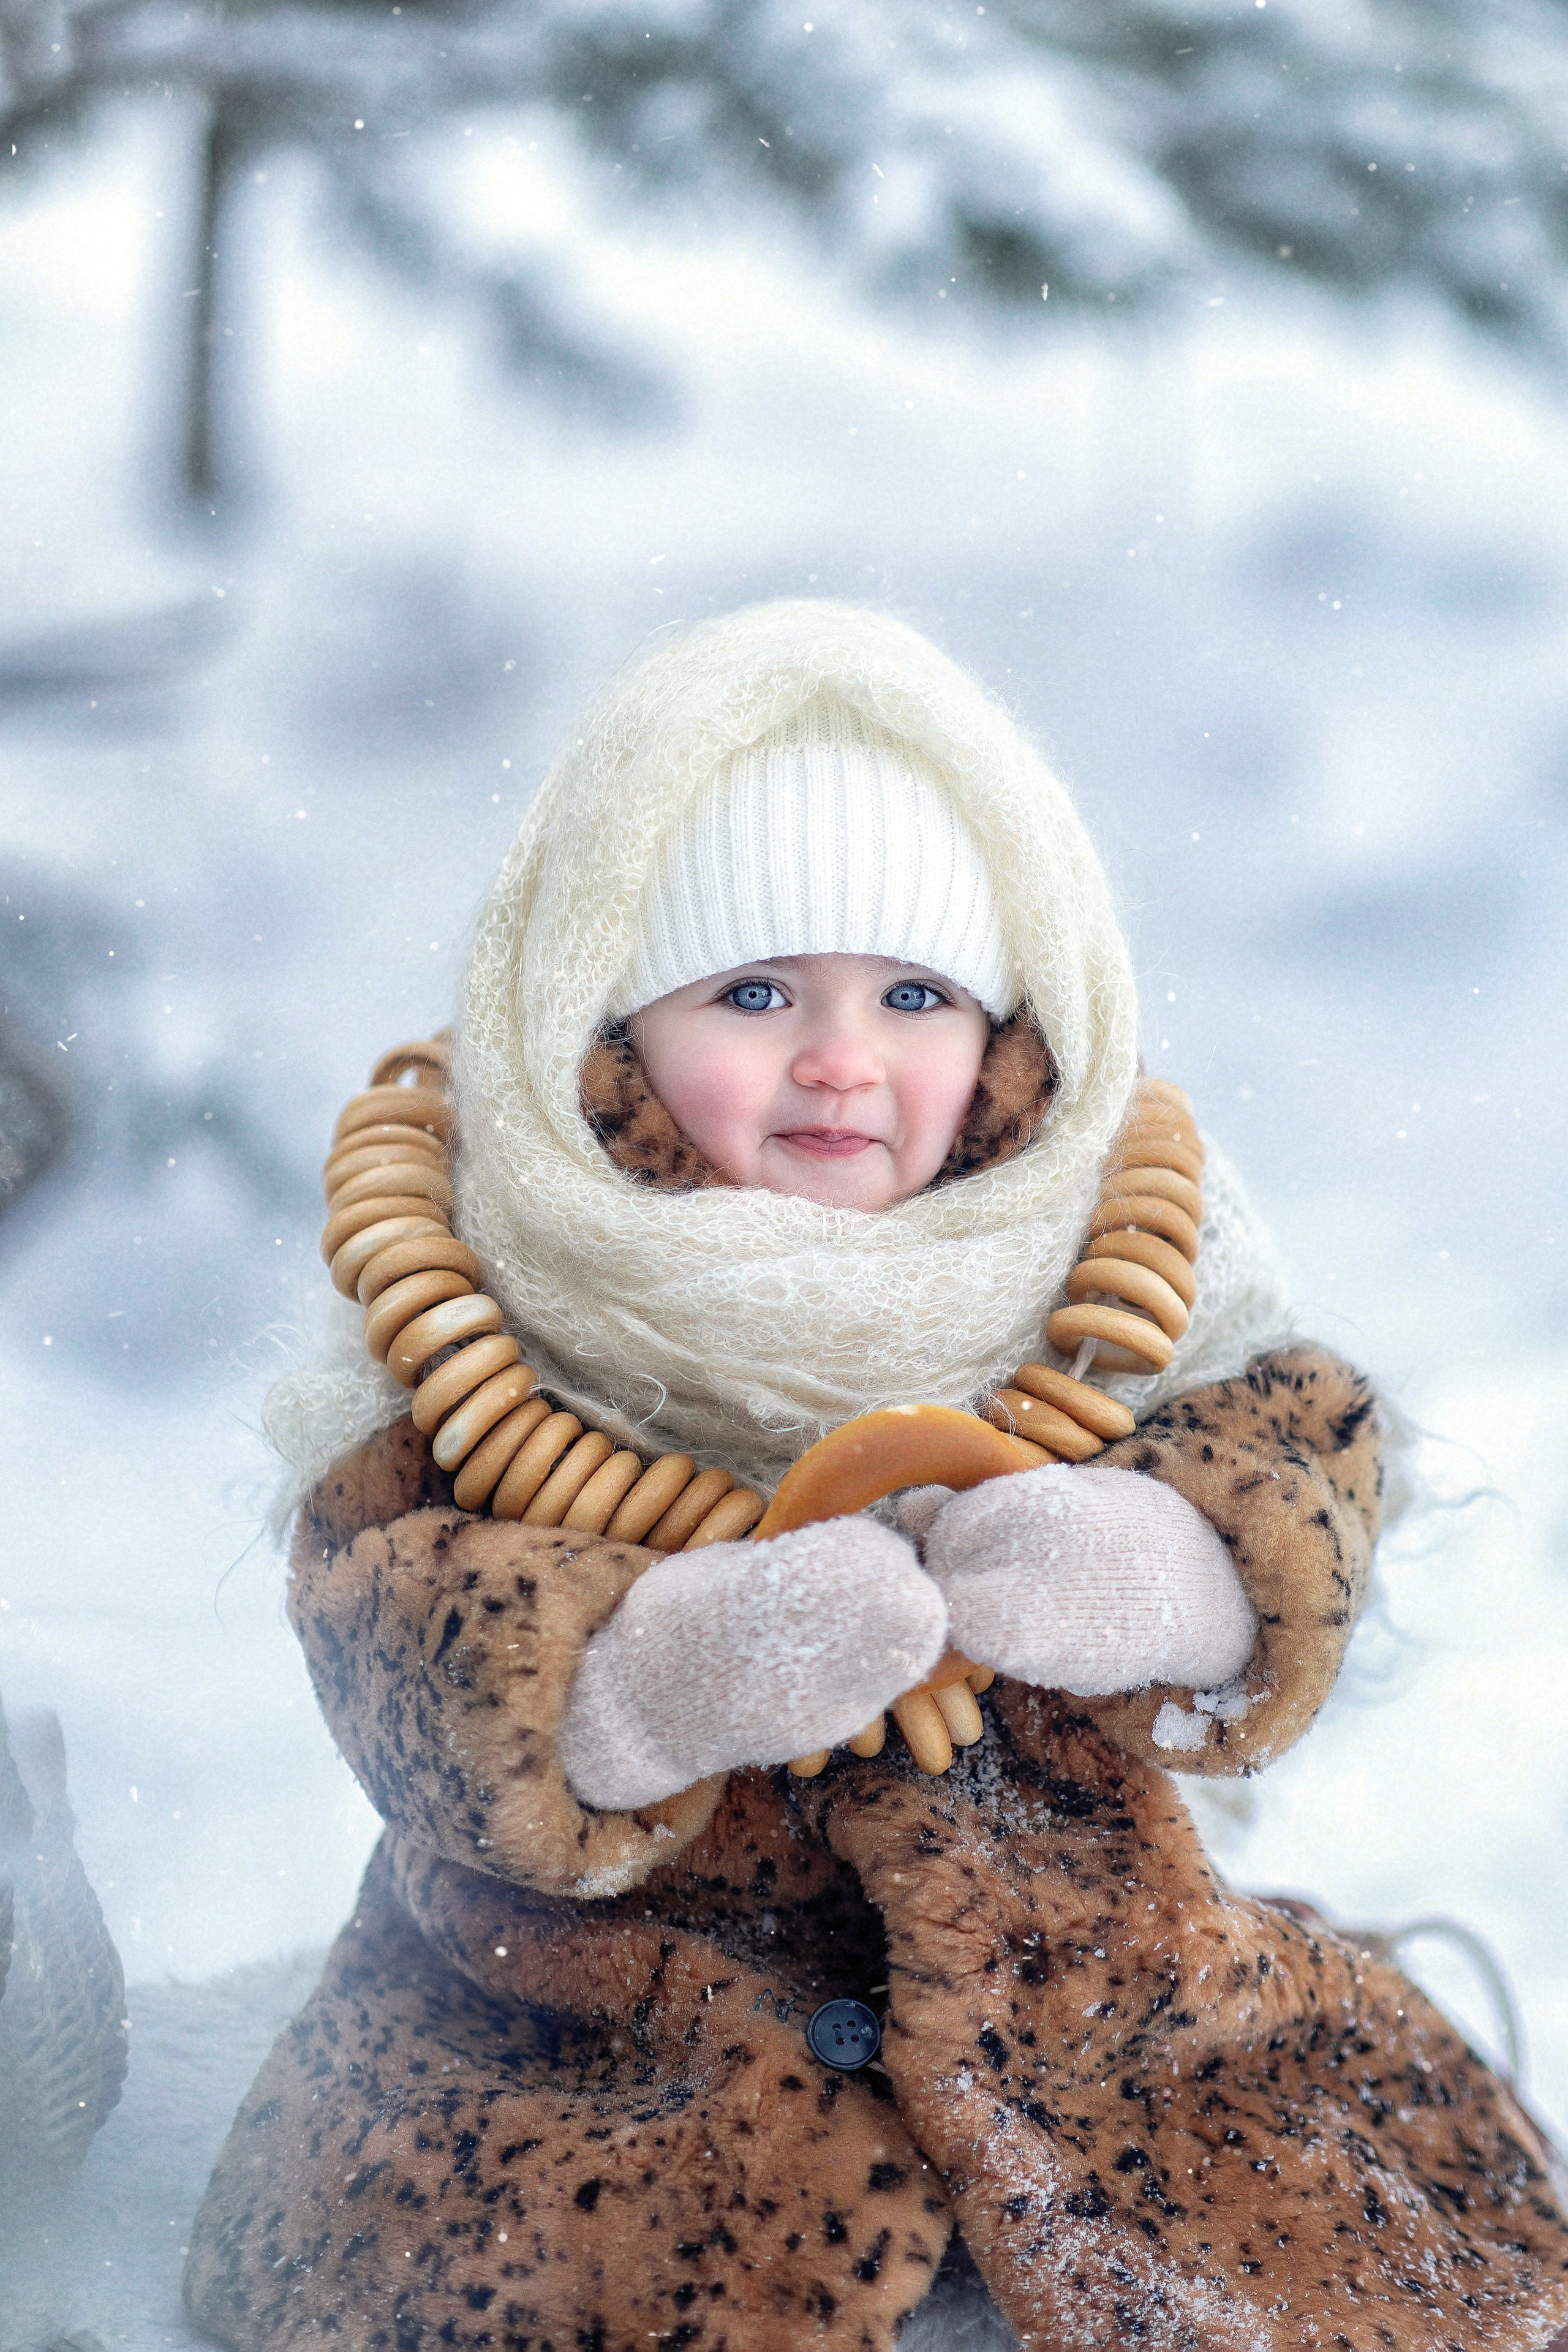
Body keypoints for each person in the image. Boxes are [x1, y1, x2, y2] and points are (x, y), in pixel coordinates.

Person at [186, 602, 1568, 2351]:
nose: (842, 1058)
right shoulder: (515, 1271)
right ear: (608, 1015)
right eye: (756, 993)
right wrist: (656, 1678)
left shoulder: (1103, 1235)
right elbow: (392, 1618)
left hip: (1091, 1983)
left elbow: (1297, 1447)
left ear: (1004, 1025)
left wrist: (1171, 1567)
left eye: (913, 995)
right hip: (596, 2041)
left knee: (1352, 2249)